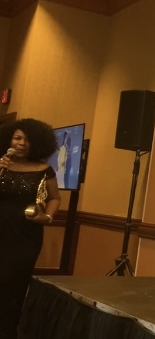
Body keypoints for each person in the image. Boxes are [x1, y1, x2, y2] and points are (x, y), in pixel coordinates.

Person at [0, 118, 61, 339]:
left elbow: (55, 198)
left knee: (13, 286)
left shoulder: (45, 169)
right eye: (17, 138)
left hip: (26, 236)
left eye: (27, 139)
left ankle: (8, 331)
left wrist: (47, 217)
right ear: (9, 139)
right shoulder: (1, 164)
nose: (21, 143)